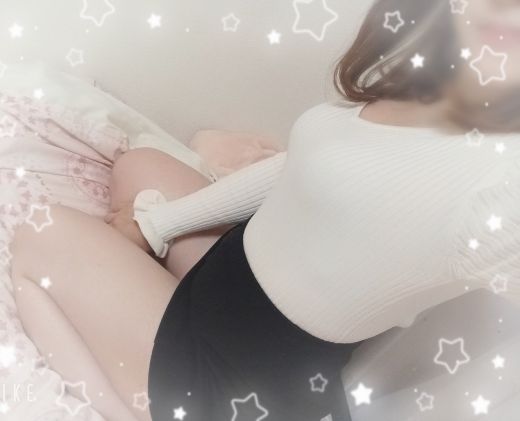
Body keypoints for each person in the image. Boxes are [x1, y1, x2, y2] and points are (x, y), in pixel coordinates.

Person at [9, 0, 520, 420]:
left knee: (36, 237)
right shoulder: (435, 80)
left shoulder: (497, 186)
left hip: (231, 382)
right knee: (140, 165)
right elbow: (301, 169)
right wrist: (157, 225)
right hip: (226, 287)